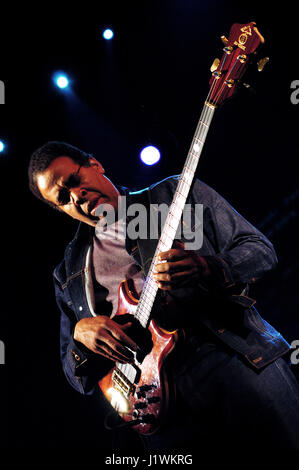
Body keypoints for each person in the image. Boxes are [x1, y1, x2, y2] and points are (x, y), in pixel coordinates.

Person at [28, 141, 299, 452]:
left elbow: (260, 250)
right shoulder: (68, 272)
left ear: (95, 165)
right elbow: (74, 374)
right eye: (63, 199)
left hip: (232, 360)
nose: (76, 197)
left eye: (74, 181)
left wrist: (210, 267)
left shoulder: (172, 196)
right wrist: (79, 335)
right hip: (162, 413)